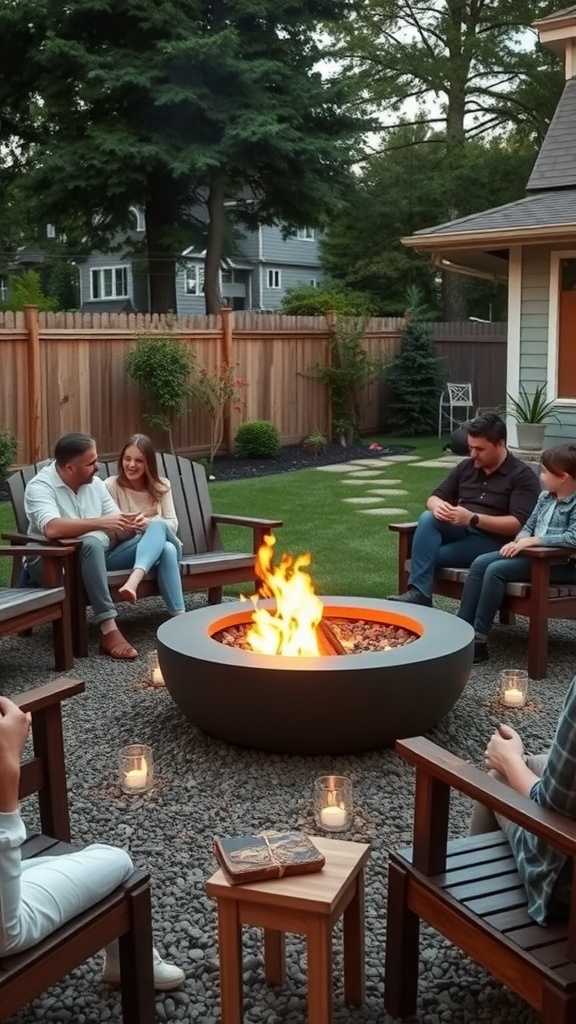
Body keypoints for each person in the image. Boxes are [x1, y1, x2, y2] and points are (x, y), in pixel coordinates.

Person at [0, 695, 185, 989]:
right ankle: (126, 965)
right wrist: (7, 763)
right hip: (9, 928)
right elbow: (7, 932)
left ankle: (119, 962)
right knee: (113, 858)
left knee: (60, 861)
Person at [387, 413, 540, 607]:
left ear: (500, 444)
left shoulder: (522, 476)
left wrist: (472, 519)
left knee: (425, 555)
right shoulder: (467, 467)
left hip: (493, 543)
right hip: (460, 531)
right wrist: (438, 506)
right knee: (428, 517)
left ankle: (420, 595)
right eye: (470, 448)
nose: (473, 454)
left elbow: (516, 524)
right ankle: (420, 595)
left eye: (480, 449)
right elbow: (433, 497)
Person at [24, 433, 141, 660]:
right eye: (91, 463)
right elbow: (52, 528)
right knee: (91, 541)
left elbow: (115, 525)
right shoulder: (40, 487)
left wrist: (130, 526)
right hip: (52, 563)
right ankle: (108, 628)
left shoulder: (95, 485)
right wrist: (101, 523)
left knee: (158, 541)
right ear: (70, 468)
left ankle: (178, 616)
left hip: (95, 558)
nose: (98, 467)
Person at [470, 676, 576, 925]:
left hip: (564, 880)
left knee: (497, 778)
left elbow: (551, 809)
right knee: (530, 764)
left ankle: (474, 909)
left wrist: (509, 760)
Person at [458, 444, 576, 663]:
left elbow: (572, 537)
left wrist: (534, 541)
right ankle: (460, 630)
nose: (541, 476)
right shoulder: (545, 497)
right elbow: (529, 525)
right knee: (480, 563)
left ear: (563, 477)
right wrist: (521, 539)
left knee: (496, 570)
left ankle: (479, 641)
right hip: (532, 557)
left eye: (545, 472)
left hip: (562, 565)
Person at [104, 434, 185, 616]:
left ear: (149, 463)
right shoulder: (111, 486)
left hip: (159, 542)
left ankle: (134, 580)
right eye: (127, 459)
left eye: (139, 461)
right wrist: (130, 529)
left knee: (158, 527)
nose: (132, 465)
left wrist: (148, 524)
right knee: (167, 549)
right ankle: (180, 617)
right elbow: (111, 533)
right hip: (122, 553)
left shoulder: (162, 486)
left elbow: (172, 523)